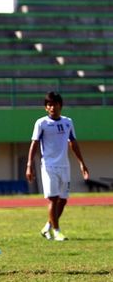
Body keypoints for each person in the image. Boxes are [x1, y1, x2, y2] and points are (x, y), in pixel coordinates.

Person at [26, 91, 89, 241]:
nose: (52, 107)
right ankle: (56, 230)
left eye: (54, 104)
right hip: (49, 166)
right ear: (46, 108)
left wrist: (82, 163)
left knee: (63, 199)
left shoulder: (68, 122)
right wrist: (29, 165)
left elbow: (73, 143)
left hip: (64, 166)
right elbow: (34, 144)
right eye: (49, 105)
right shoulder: (41, 123)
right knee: (53, 199)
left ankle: (47, 227)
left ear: (60, 105)